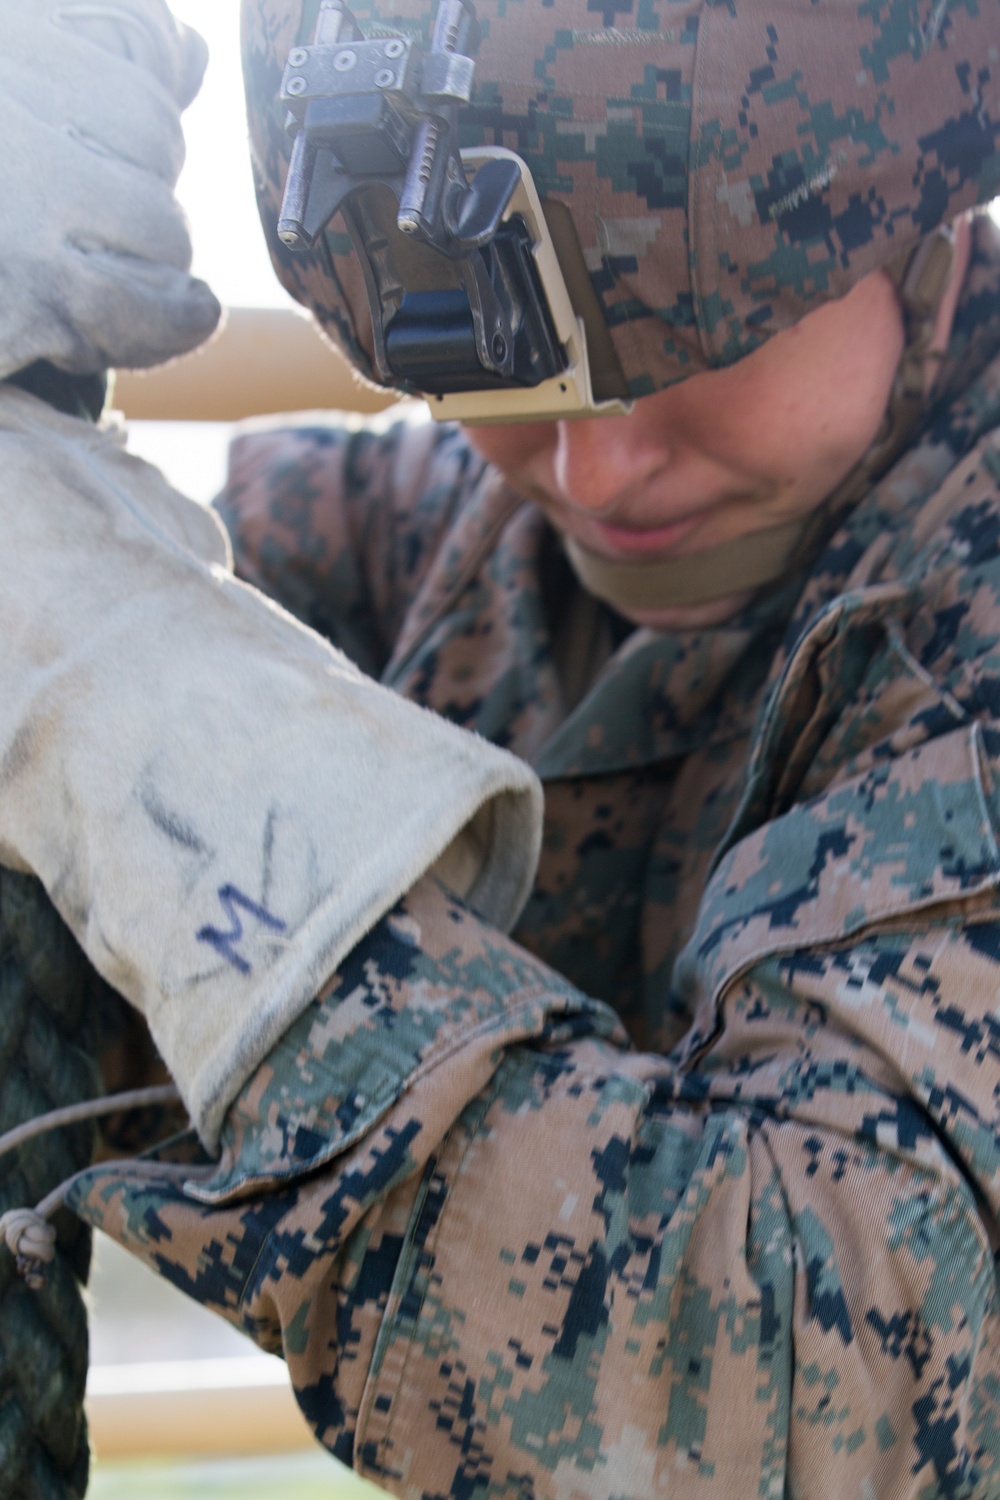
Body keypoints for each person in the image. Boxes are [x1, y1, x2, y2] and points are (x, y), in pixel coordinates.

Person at [2, 0, 1000, 1496]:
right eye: (500, 348)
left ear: (924, 224)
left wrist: (130, 699)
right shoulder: (447, 550)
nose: (595, 466)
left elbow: (785, 1403)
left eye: (691, 333)